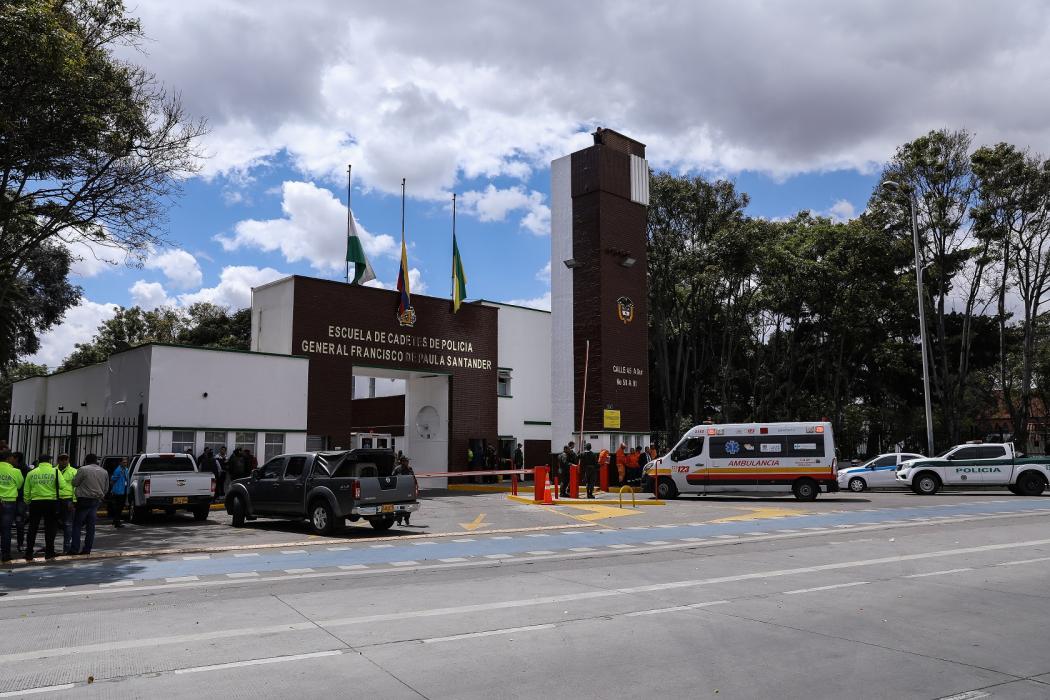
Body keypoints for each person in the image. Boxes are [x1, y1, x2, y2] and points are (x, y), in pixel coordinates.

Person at [24, 454, 59, 561]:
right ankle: (49, 552)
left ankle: (29, 553)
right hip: (50, 502)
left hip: (35, 502)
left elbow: (26, 490)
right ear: (49, 461)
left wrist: (28, 501)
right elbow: (61, 485)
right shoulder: (55, 472)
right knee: (50, 528)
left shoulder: (31, 473)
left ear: (39, 461)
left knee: (32, 528)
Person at [71, 454, 108, 555]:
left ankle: (74, 549)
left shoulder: (83, 469)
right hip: (96, 500)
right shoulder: (104, 471)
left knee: (77, 525)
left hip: (84, 499)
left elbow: (74, 483)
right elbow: (106, 488)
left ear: (86, 461)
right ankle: (87, 549)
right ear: (96, 461)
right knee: (91, 527)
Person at [0, 450, 25, 563]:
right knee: (6, 529)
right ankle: (5, 554)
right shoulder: (16, 471)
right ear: (8, 459)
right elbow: (19, 485)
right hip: (9, 501)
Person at [55, 453, 77, 554]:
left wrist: (73, 501)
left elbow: (76, 488)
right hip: (55, 499)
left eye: (66, 459)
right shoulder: (53, 470)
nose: (64, 461)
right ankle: (50, 547)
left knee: (68, 524)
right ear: (58, 460)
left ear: (68, 460)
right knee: (53, 524)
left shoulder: (73, 471)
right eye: (62, 459)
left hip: (67, 499)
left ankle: (66, 549)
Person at [12, 452, 28, 554]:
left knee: (7, 522)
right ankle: (20, 544)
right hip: (21, 499)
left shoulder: (15, 469)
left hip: (14, 497)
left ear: (16, 458)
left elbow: (19, 484)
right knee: (19, 522)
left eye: (12, 458)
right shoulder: (26, 469)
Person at [392, 456, 415, 525]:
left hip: (408, 491)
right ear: (402, 462)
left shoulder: (410, 469)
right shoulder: (397, 469)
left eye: (407, 461)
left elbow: (413, 478)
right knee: (399, 506)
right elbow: (392, 478)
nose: (407, 462)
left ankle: (407, 519)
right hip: (399, 491)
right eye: (406, 461)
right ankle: (399, 520)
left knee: (409, 506)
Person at [109, 457, 129, 528]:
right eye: (124, 462)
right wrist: (113, 489)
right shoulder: (118, 470)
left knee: (120, 507)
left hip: (123, 490)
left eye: (126, 462)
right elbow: (112, 480)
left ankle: (115, 520)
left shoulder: (126, 470)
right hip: (118, 491)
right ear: (120, 463)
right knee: (118, 507)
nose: (125, 464)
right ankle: (117, 522)